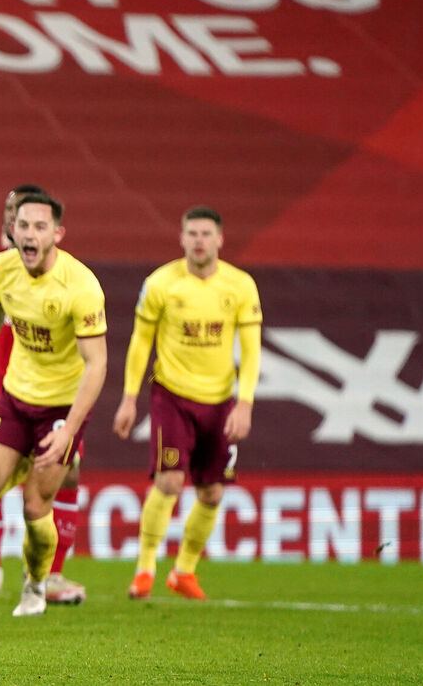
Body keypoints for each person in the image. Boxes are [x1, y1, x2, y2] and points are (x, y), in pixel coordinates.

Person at [0, 191, 107, 617]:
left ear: (57, 234)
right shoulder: (0, 269)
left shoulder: (81, 286)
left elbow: (97, 364)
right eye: (23, 226)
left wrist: (69, 429)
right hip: (15, 399)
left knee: (35, 507)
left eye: (40, 227)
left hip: (59, 410)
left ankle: (35, 584)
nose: (29, 235)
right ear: (13, 229)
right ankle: (22, 469)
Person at [113, 205, 261, 600]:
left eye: (206, 234)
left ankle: (184, 572)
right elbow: (140, 342)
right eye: (192, 233)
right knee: (170, 480)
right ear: (181, 238)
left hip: (220, 401)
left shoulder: (241, 285)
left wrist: (244, 404)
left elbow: (250, 350)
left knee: (212, 492)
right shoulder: (161, 283)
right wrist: (129, 400)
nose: (199, 241)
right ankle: (145, 568)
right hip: (172, 394)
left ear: (219, 239)